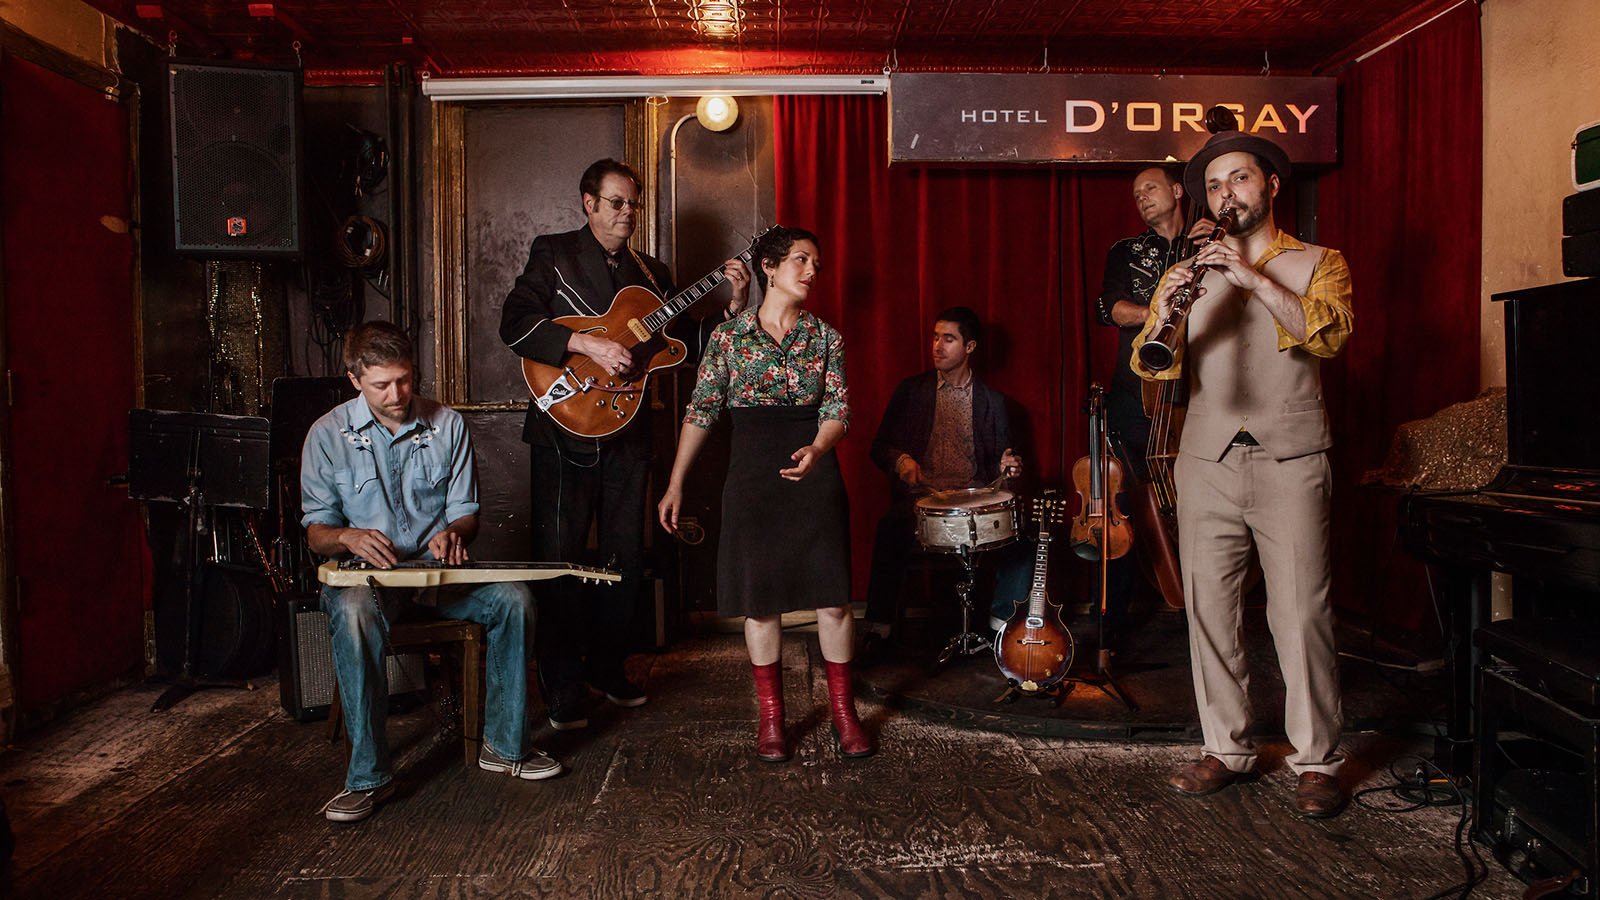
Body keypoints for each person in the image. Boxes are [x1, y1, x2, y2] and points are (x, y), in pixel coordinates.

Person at [1131, 128, 1354, 818]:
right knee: (1208, 611)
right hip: (1206, 458)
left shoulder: (1322, 261)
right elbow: (1148, 362)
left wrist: (1250, 276)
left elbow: (1330, 334)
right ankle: (1225, 749)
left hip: (1290, 457)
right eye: (1217, 184)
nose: (1228, 194)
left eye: (1241, 180)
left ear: (1271, 188)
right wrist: (1169, 308)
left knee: (1301, 612)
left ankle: (1317, 760)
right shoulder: (1185, 269)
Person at [499, 159, 749, 731]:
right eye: (615, 203)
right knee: (560, 556)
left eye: (633, 204)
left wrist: (730, 305)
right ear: (588, 203)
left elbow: (684, 343)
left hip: (629, 430)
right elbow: (514, 321)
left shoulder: (652, 270)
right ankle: (561, 685)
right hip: (564, 422)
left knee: (624, 558)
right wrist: (586, 342)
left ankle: (608, 668)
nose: (626, 213)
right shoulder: (554, 251)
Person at [301, 321, 557, 824]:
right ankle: (368, 777)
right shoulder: (327, 434)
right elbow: (316, 531)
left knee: (515, 598)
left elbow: (467, 511)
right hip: (369, 579)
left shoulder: (448, 424)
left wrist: (455, 533)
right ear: (354, 378)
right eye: (381, 385)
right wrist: (348, 536)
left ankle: (506, 749)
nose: (397, 395)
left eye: (404, 380)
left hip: (440, 574)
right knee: (352, 614)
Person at [657, 226, 873, 762]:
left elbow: (837, 412)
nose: (811, 271)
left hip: (814, 471)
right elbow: (701, 412)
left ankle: (845, 715)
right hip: (751, 476)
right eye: (802, 260)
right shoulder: (728, 341)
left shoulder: (827, 338)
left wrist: (819, 450)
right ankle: (772, 720)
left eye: (816, 263)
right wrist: (676, 482)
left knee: (833, 600)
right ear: (770, 268)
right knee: (759, 603)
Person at [863, 307, 1026, 641]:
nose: (937, 346)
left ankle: (1000, 623)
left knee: (1024, 535)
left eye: (948, 339)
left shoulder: (992, 402)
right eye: (935, 337)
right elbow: (880, 446)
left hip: (974, 501)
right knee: (890, 528)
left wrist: (1007, 464)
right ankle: (879, 627)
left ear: (970, 347)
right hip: (923, 501)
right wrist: (902, 460)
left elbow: (1002, 458)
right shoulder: (911, 392)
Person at [1091, 165, 1197, 635]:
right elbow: (1108, 307)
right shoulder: (1125, 251)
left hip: (1197, 389)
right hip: (1134, 391)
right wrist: (1158, 314)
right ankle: (1114, 625)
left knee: (1198, 493)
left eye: (1150, 188)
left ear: (1177, 191)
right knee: (1130, 502)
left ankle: (1202, 603)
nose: (1141, 198)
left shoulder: (1207, 244)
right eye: (1136, 194)